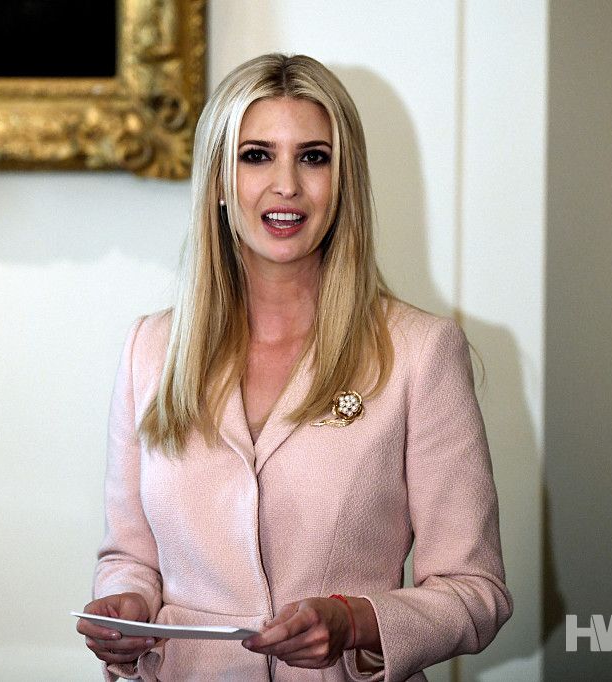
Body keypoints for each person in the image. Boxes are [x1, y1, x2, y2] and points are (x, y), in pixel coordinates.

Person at [76, 53, 513, 681]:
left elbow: (476, 591)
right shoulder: (150, 348)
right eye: (257, 155)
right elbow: (129, 556)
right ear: (220, 179)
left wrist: (357, 623)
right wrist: (126, 607)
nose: (287, 184)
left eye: (313, 157)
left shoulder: (421, 351)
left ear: (344, 181)